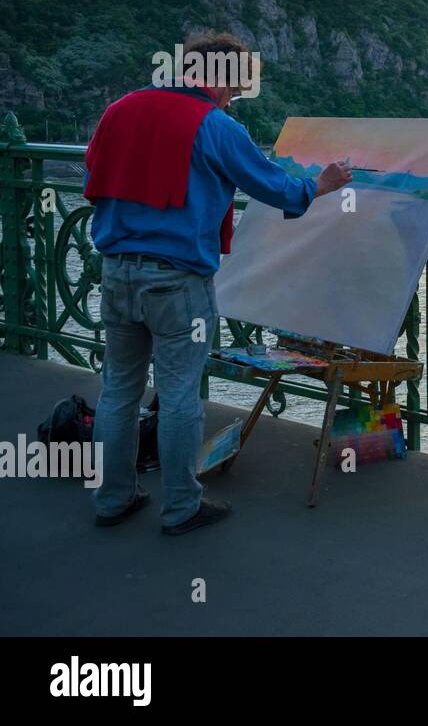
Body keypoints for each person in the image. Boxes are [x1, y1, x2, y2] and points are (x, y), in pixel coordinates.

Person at [83, 32, 352, 535]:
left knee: (118, 389)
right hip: (177, 280)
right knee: (180, 392)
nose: (235, 95)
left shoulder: (119, 109)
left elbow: (93, 172)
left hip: (116, 269)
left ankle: (112, 499)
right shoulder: (214, 124)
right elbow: (276, 188)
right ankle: (182, 506)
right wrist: (322, 184)